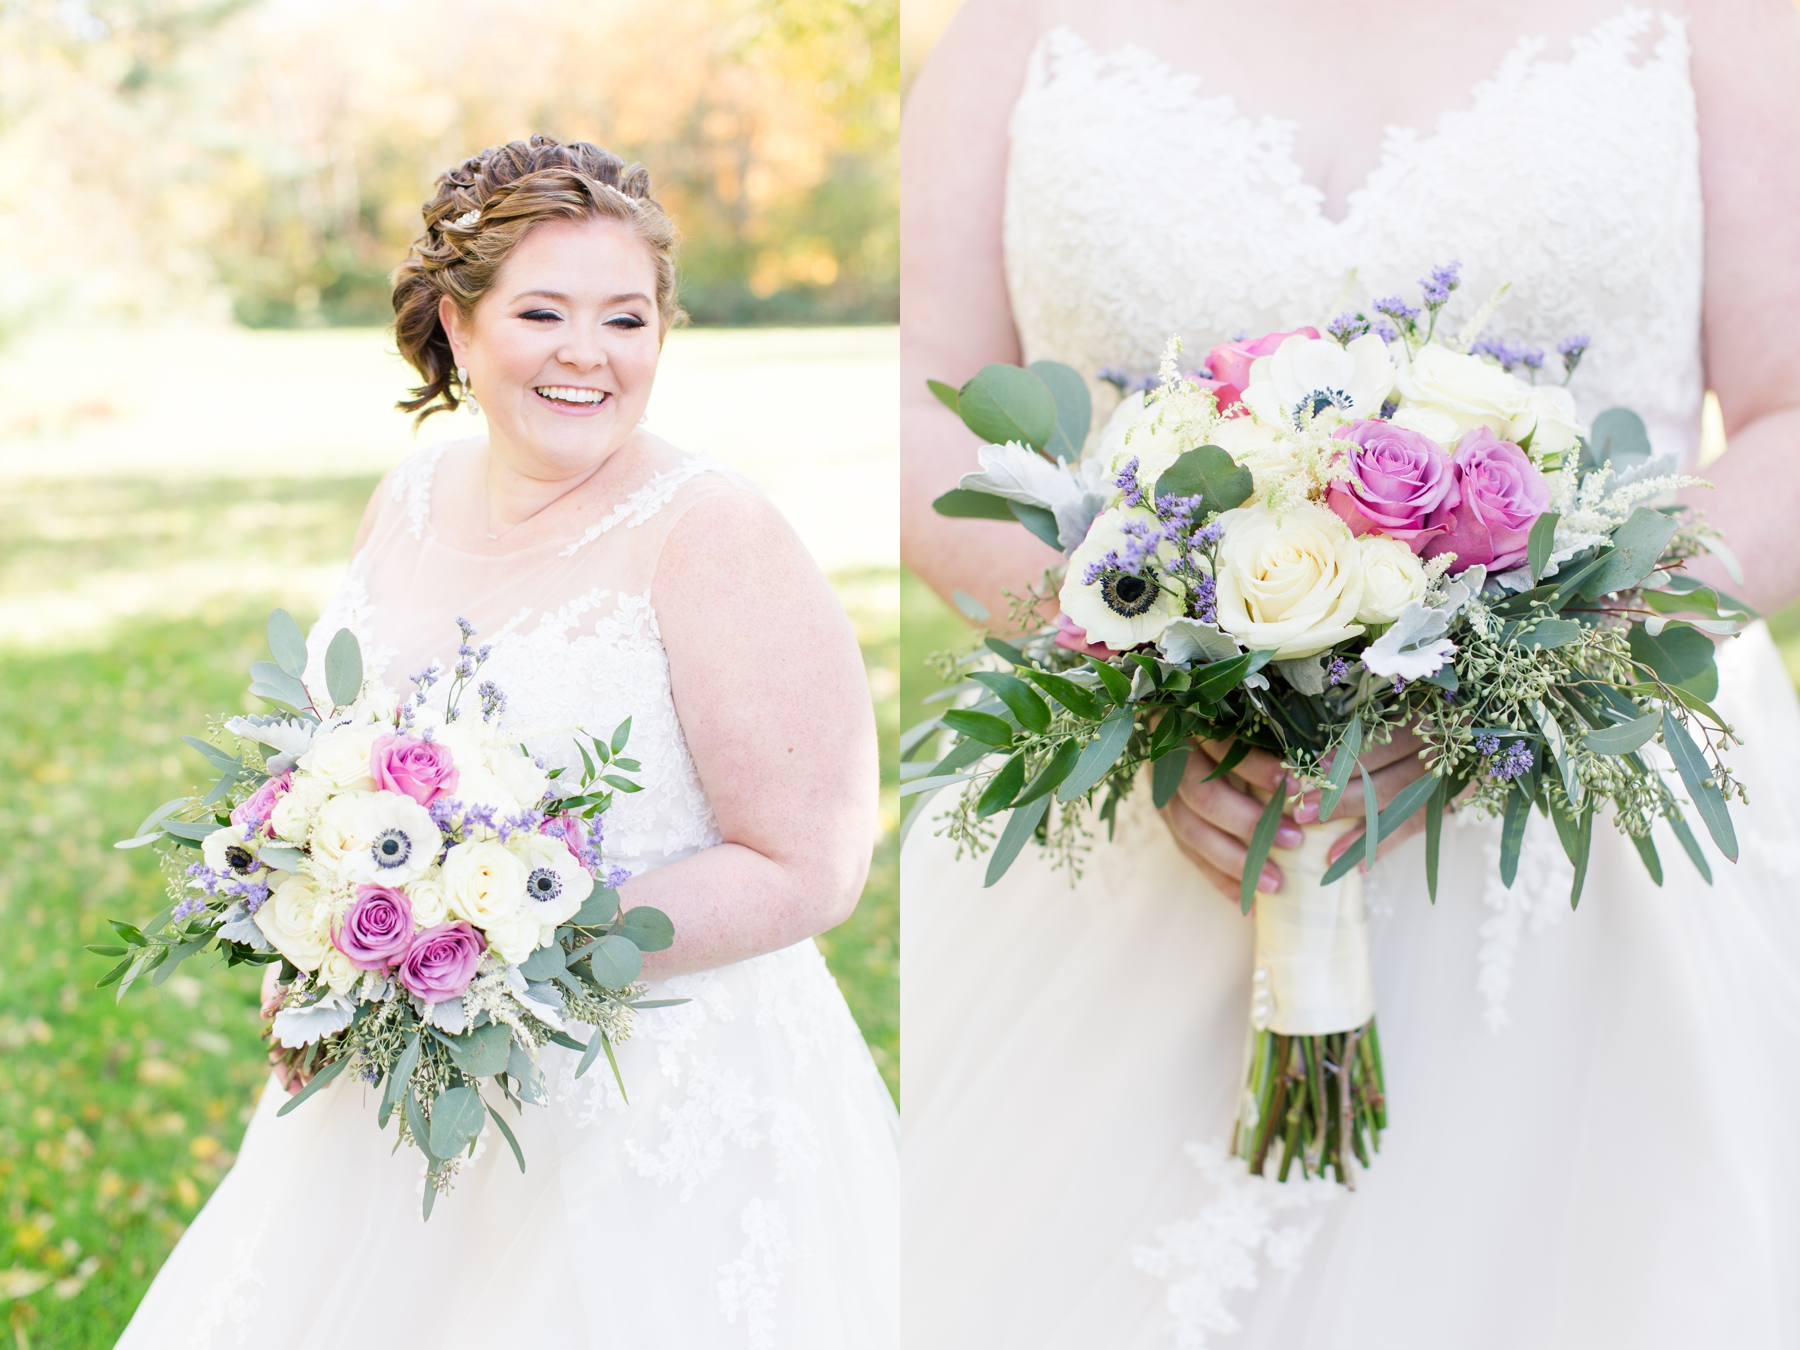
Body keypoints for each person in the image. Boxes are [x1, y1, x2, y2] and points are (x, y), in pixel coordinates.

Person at [900, 2, 1800, 1345]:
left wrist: (1531, 663)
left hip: (1590, 829)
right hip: (1146, 814)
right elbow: (925, 392)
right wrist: (1133, 655)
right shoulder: (1010, 28)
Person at [117, 135, 898, 1349]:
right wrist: (323, 949)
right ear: (456, 323)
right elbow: (345, 773)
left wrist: (496, 950)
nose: (590, 355)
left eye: (628, 319)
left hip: (656, 1109)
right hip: (401, 1083)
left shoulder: (713, 531)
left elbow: (812, 863)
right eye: (544, 312)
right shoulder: (411, 496)